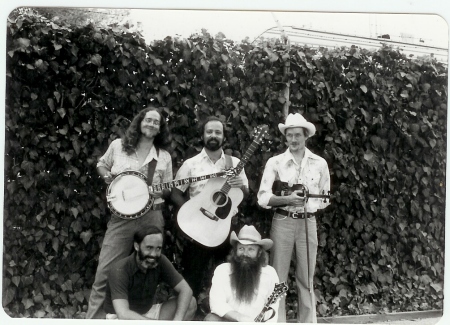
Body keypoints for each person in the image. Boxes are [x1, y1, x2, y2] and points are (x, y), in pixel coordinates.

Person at [86, 106, 173, 319]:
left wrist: (157, 190)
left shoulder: (164, 156)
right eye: (148, 120)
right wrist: (107, 177)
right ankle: (93, 319)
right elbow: (101, 164)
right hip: (121, 219)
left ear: (161, 128)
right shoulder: (118, 146)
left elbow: (169, 187)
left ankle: (135, 318)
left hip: (151, 216)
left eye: (156, 122)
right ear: (139, 121)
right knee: (104, 272)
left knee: (145, 271)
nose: (152, 124)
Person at [257, 113, 330, 323]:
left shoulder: (320, 163)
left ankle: (307, 322)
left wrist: (308, 203)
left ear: (306, 136)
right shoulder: (275, 162)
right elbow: (262, 197)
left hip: (308, 221)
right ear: (285, 137)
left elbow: (325, 197)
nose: (294, 140)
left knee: (306, 278)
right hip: (282, 221)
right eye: (289, 135)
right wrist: (287, 199)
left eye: (298, 135)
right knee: (278, 277)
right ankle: (276, 322)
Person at [171, 116, 249, 298]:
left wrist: (241, 186)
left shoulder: (235, 164)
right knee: (192, 277)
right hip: (197, 230)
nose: (213, 135)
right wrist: (192, 212)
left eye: (218, 132)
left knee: (227, 278)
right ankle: (190, 314)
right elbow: (175, 193)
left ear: (223, 136)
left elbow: (245, 194)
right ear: (203, 135)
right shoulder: (190, 164)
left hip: (224, 227)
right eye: (209, 132)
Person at [103, 226, 197, 320]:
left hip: (148, 313)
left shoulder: (161, 261)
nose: (153, 254)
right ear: (137, 246)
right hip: (120, 319)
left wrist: (177, 321)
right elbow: (123, 314)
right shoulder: (120, 270)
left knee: (190, 303)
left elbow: (186, 290)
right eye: (149, 248)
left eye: (158, 248)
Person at [204, 225, 280, 322]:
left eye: (251, 249)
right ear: (235, 251)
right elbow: (217, 304)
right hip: (230, 320)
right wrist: (241, 318)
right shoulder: (222, 270)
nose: (245, 254)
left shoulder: (270, 274)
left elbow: (273, 309)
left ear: (259, 253)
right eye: (241, 248)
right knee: (211, 319)